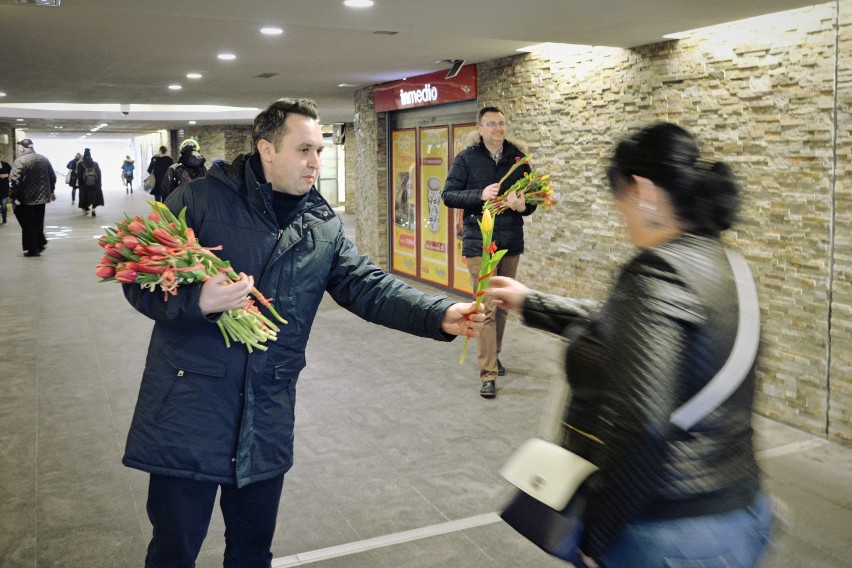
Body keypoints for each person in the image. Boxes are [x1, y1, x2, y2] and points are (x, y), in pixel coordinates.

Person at [121, 98, 485, 567]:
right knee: (174, 550)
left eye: (320, 148)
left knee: (252, 552)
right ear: (267, 149)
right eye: (304, 150)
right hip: (190, 407)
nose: (316, 162)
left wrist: (437, 311)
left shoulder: (321, 223)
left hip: (267, 411)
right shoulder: (198, 201)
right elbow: (136, 274)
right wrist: (199, 301)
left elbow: (366, 286)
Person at [487, 122, 773, 567]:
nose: (621, 217)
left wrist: (597, 536)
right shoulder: (726, 262)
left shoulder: (657, 270)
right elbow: (624, 325)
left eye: (618, 199)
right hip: (742, 511)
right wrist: (533, 303)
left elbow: (644, 424)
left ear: (643, 190)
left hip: (670, 532)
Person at [441, 106, 537, 398]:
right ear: (480, 129)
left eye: (502, 123)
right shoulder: (467, 158)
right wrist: (480, 195)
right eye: (491, 124)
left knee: (503, 303)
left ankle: (493, 354)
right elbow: (448, 195)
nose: (498, 128)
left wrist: (523, 206)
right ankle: (488, 374)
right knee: (485, 306)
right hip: (479, 242)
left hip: (510, 241)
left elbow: (530, 201)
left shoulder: (519, 159)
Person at [9, 139, 56, 256]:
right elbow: (52, 176)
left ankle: (33, 249)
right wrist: (51, 191)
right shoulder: (44, 159)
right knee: (38, 223)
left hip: (26, 199)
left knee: (27, 224)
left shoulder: (20, 161)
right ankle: (40, 243)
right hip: (41, 199)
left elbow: (15, 180)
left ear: (22, 148)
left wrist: (12, 196)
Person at [76, 148, 104, 217]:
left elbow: (79, 176)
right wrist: (99, 183)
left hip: (84, 185)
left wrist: (80, 185)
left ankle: (85, 209)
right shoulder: (95, 164)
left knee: (84, 197)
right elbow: (99, 174)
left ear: (84, 156)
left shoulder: (80, 164)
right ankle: (93, 209)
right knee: (94, 197)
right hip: (94, 184)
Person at [0, 155, 11, 224]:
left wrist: (7, 175)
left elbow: (12, 172)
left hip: (4, 188)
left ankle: (4, 217)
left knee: (3, 204)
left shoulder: (6, 165)